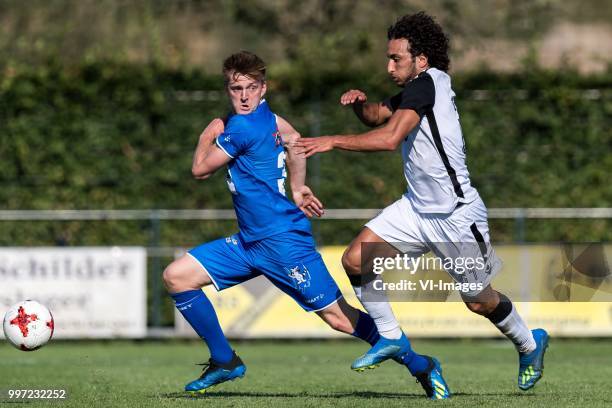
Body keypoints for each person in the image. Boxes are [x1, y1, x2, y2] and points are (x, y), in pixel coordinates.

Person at [162, 51, 443, 398]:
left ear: (263, 88)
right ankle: (224, 361)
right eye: (237, 89)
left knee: (340, 319)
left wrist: (209, 131)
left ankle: (421, 365)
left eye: (251, 88)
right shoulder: (272, 119)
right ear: (228, 90)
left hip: (283, 243)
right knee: (177, 277)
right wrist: (297, 187)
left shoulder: (240, 127)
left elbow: (200, 170)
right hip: (250, 242)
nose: (244, 96)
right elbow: (295, 141)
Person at [296, 12, 549, 397]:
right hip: (416, 209)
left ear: (422, 60)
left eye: (396, 58)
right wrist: (359, 104)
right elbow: (377, 116)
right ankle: (392, 337)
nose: (389, 65)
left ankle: (530, 343)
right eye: (389, 57)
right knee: (355, 259)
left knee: (479, 302)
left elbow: (388, 138)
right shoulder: (418, 88)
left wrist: (331, 140)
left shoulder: (426, 86)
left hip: (456, 217)